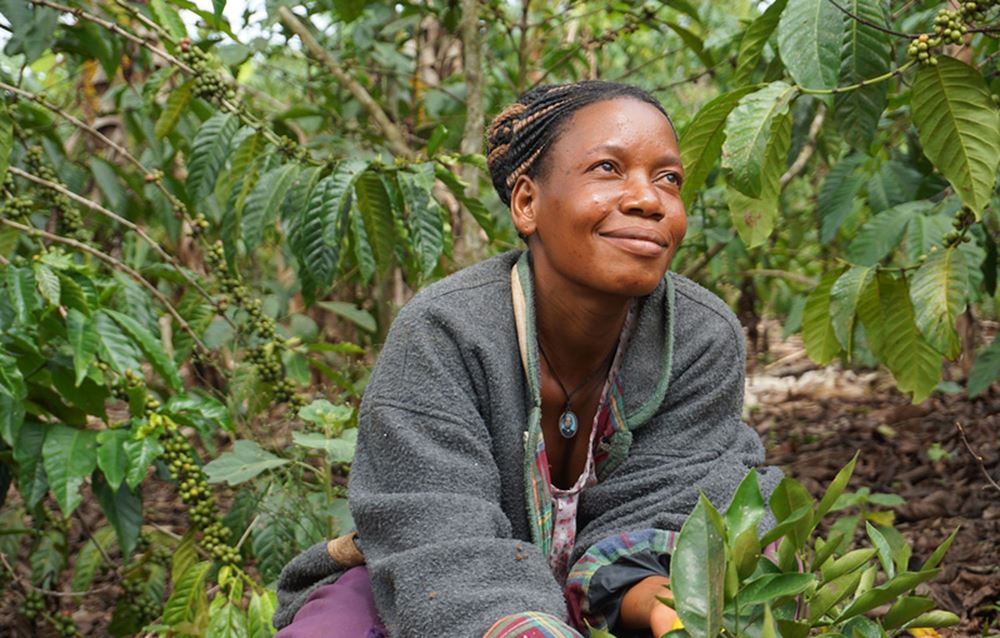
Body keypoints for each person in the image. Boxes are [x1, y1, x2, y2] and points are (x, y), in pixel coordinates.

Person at [273, 80, 783, 638]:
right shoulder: (446, 331)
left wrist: (680, 616)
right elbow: (437, 534)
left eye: (669, 179)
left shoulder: (699, 335)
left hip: (614, 595)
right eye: (608, 169)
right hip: (440, 585)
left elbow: (667, 510)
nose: (648, 198)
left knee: (749, 551)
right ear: (526, 203)